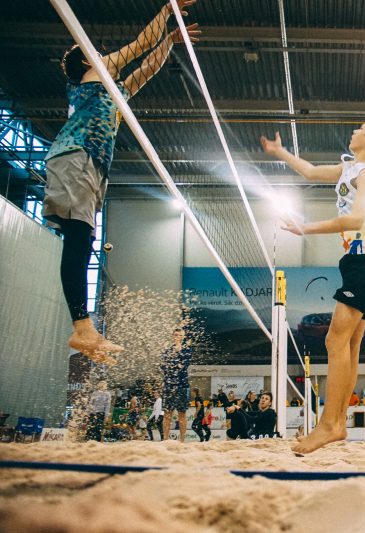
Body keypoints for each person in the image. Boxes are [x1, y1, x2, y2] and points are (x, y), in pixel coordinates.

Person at [42, 1, 200, 364]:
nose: (103, 56)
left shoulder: (109, 90)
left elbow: (146, 69)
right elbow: (139, 45)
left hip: (91, 166)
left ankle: (85, 330)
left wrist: (169, 42)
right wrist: (167, 10)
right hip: (75, 158)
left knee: (82, 240)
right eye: (96, 53)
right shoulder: (89, 78)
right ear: (87, 62)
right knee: (79, 239)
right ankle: (82, 327)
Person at [260, 112, 365, 454]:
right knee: (349, 344)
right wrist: (280, 153)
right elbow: (310, 172)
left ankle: (329, 425)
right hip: (360, 261)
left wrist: (305, 228)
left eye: (361, 128)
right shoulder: (351, 168)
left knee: (335, 340)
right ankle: (337, 425)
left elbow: (354, 219)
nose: (355, 130)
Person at [161, 328, 192, 442]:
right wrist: (175, 365)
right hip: (168, 385)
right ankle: (165, 439)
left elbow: (184, 365)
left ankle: (182, 441)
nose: (177, 337)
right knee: (167, 413)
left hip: (182, 385)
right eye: (175, 335)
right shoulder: (167, 350)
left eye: (180, 335)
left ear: (183, 337)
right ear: (172, 336)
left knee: (182, 413)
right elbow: (163, 366)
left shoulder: (187, 350)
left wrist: (173, 363)